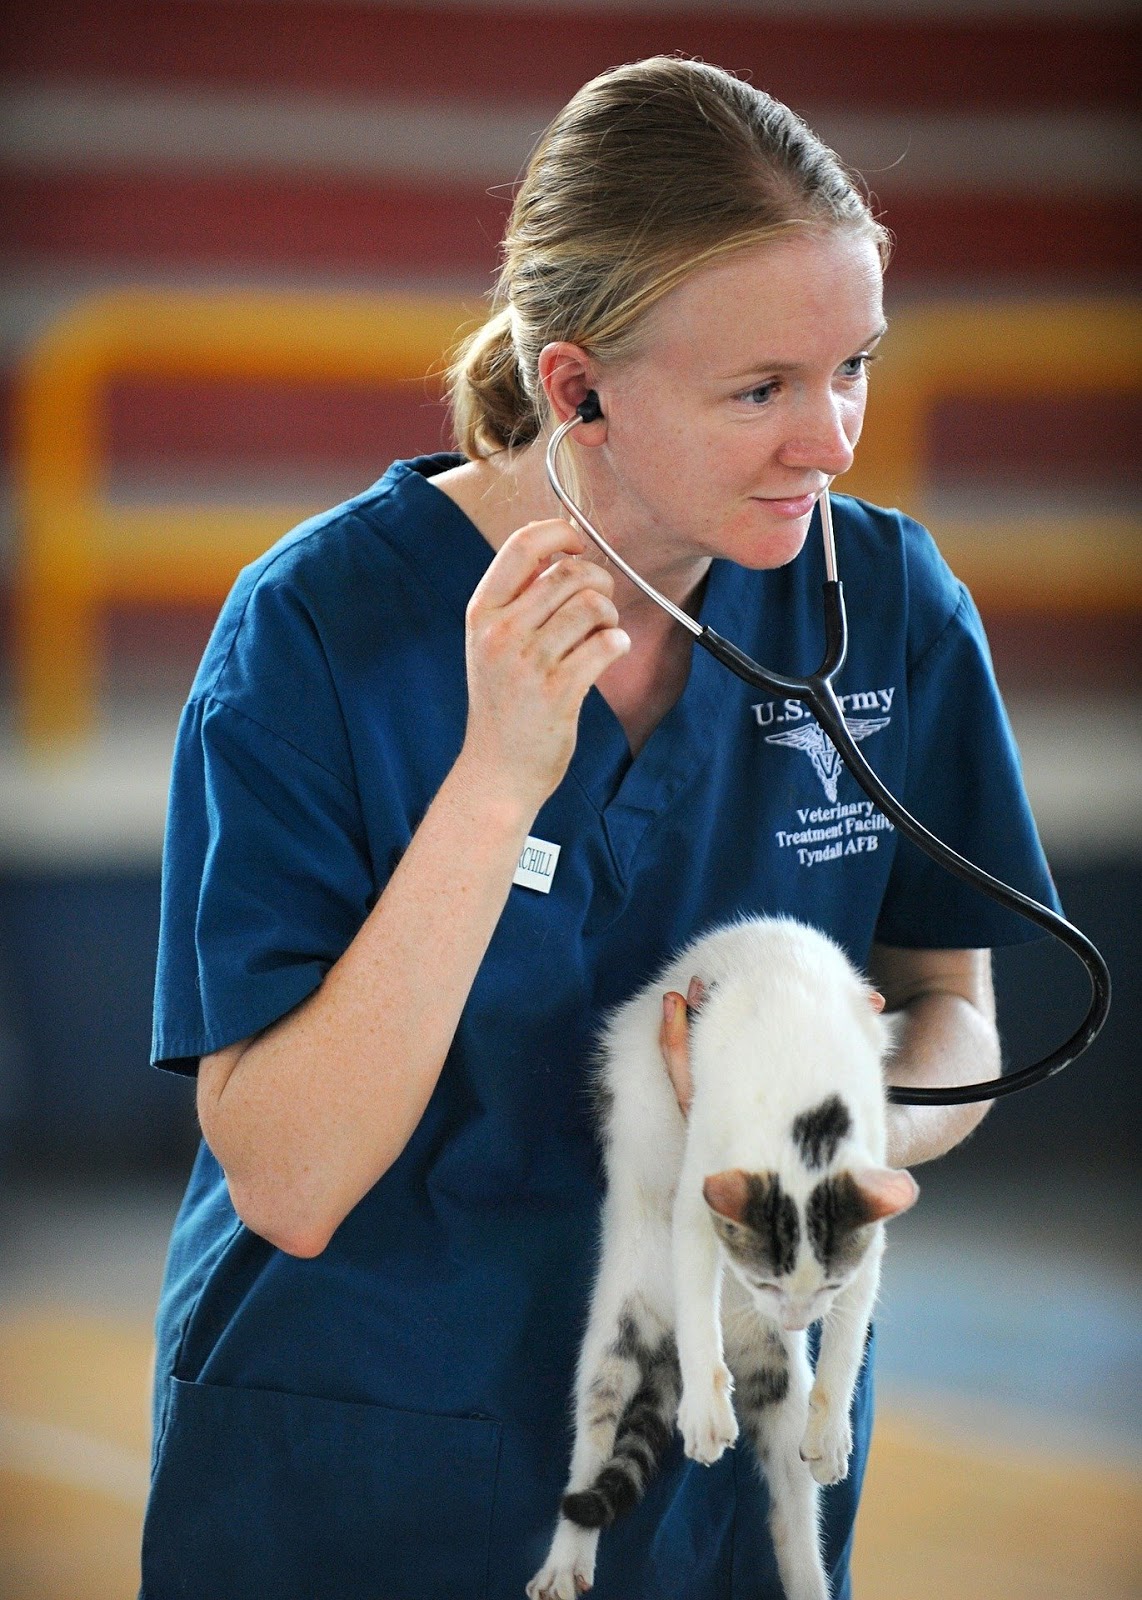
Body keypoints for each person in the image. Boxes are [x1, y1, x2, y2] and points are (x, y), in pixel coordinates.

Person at [142, 56, 1059, 1600]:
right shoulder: (319, 630)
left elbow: (953, 1003)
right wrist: (496, 779)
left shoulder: (885, 602)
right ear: (575, 390)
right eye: (761, 388)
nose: (829, 441)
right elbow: (288, 1181)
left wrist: (850, 1141)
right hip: (366, 1458)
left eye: (854, 367)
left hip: (719, 1467)